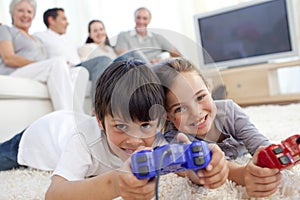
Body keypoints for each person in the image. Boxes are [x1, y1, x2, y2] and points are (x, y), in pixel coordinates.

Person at [0, 59, 228, 199]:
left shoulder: (156, 140)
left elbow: (182, 168)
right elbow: (54, 194)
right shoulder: (83, 139)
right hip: (41, 134)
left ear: (159, 121)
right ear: (100, 121)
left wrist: (208, 168)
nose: (135, 139)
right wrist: (115, 183)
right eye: (120, 126)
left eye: (146, 125)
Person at [153, 57, 281, 198]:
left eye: (200, 97)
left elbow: (260, 144)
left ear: (208, 87)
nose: (196, 113)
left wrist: (275, 157)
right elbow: (202, 169)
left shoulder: (228, 110)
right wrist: (243, 174)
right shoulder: (175, 139)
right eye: (180, 108)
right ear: (167, 115)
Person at [0, 0, 88, 113]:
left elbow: (48, 60)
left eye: (29, 12)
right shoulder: (5, 30)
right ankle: (68, 119)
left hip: (37, 72)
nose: (25, 15)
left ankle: (79, 117)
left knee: (79, 71)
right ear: (12, 13)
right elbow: (9, 58)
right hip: (15, 72)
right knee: (56, 63)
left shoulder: (37, 39)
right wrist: (42, 64)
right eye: (21, 11)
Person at [34, 8, 112, 106]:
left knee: (113, 66)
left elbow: (81, 53)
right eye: (63, 19)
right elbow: (35, 56)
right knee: (103, 60)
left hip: (79, 66)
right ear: (51, 21)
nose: (67, 23)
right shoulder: (40, 36)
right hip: (62, 67)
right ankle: (99, 108)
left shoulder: (69, 38)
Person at [114, 7, 181, 64]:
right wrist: (149, 63)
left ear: (149, 20)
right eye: (138, 18)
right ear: (134, 18)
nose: (141, 21)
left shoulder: (158, 37)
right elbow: (123, 58)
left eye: (145, 18)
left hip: (159, 68)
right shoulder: (124, 35)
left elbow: (178, 55)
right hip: (138, 70)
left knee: (166, 55)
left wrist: (165, 60)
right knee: (135, 52)